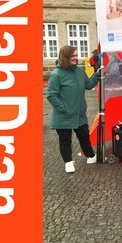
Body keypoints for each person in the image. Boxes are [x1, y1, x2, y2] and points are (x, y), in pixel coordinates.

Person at [47, 45, 101, 173]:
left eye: (77, 55)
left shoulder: (79, 71)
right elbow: (51, 95)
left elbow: (88, 85)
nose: (76, 58)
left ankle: (91, 156)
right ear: (65, 57)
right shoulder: (56, 74)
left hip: (79, 113)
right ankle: (68, 163)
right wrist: (63, 108)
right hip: (63, 114)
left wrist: (97, 75)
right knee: (65, 140)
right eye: (73, 56)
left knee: (84, 136)